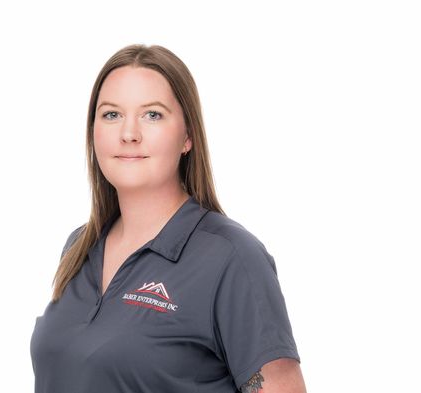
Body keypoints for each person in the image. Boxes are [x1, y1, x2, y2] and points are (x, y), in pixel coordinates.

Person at [30, 44, 307, 393]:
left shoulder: (231, 258)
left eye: (153, 115)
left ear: (188, 136)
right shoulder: (80, 247)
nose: (129, 133)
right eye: (112, 114)